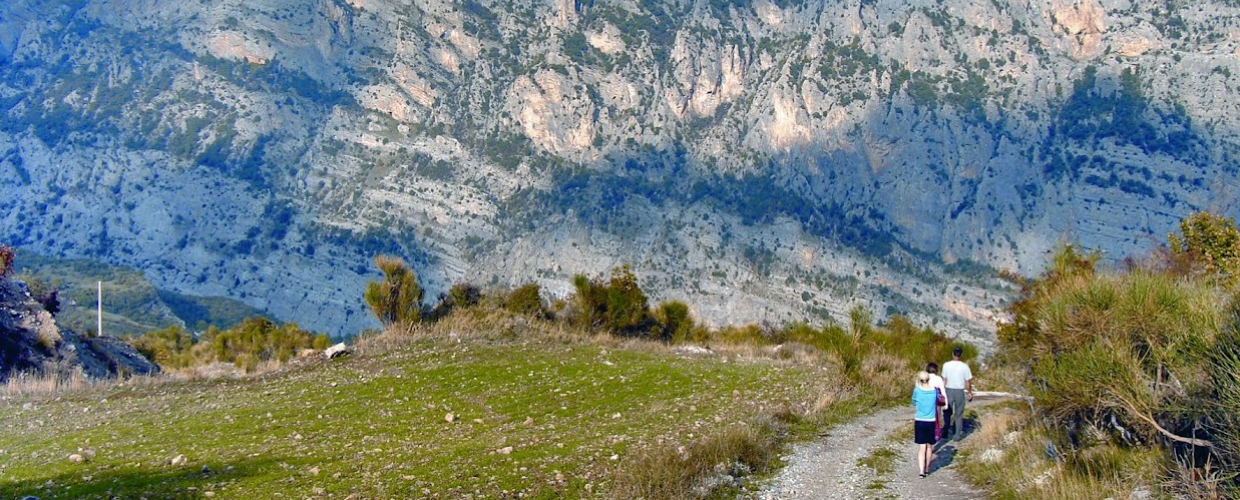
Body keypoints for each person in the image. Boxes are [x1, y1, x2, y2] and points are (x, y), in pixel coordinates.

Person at [941, 346, 974, 440]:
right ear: (961, 355)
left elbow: (944, 379)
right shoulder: (964, 366)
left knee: (947, 412)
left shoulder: (946, 365)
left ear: (952, 353)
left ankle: (945, 431)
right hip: (959, 391)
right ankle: (957, 435)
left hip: (948, 390)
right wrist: (969, 392)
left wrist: (942, 392)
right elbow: (967, 382)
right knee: (959, 413)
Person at [911, 371, 938, 477]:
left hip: (920, 420)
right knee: (929, 446)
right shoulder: (934, 391)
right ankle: (927, 468)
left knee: (922, 447)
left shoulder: (917, 391)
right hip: (931, 420)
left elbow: (914, 401)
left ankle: (921, 471)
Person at [926, 362, 946, 441]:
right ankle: (935, 435)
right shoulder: (938, 378)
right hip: (936, 401)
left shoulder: (924, 377)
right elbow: (943, 391)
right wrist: (946, 403)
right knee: (936, 418)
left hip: (925, 400)